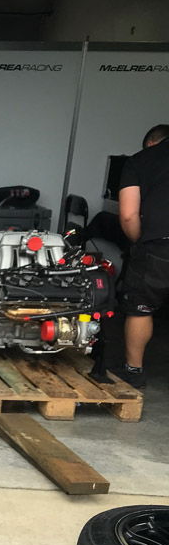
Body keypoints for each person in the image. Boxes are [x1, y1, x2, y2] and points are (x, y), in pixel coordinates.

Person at [113, 123, 169, 389]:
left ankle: (133, 371)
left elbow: (128, 214)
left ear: (151, 143)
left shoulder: (140, 161)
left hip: (158, 245)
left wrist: (139, 242)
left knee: (140, 308)